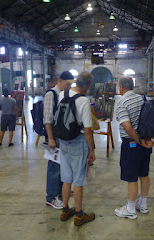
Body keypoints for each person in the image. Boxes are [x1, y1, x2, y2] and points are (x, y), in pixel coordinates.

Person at [58, 71, 96, 226]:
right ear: (87, 85)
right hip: (77, 142)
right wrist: (92, 150)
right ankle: (80, 215)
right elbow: (87, 130)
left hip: (63, 141)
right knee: (78, 180)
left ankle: (65, 210)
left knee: (66, 178)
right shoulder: (83, 101)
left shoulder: (63, 94)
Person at [115, 76, 154, 220]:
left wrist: (137, 141)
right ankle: (142, 204)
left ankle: (130, 209)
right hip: (145, 142)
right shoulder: (142, 99)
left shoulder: (122, 102)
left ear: (121, 87)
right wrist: (145, 140)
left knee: (132, 177)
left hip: (132, 144)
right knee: (144, 173)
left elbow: (128, 127)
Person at [43, 71, 75, 209]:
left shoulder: (64, 95)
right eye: (68, 84)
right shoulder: (51, 94)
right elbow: (47, 119)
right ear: (60, 81)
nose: (69, 86)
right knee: (54, 166)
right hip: (54, 136)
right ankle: (51, 197)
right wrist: (50, 138)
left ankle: (61, 191)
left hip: (62, 136)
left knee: (63, 164)